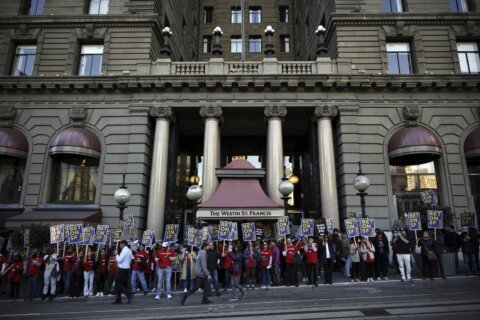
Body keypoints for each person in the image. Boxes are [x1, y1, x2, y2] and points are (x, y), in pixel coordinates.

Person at [113, 240, 134, 304]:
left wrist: (116, 254)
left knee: (118, 284)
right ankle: (118, 299)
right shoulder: (129, 250)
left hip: (123, 269)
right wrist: (127, 263)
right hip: (126, 269)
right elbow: (132, 258)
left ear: (123, 244)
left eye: (120, 244)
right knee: (121, 285)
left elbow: (119, 260)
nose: (119, 246)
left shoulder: (124, 250)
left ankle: (128, 294)